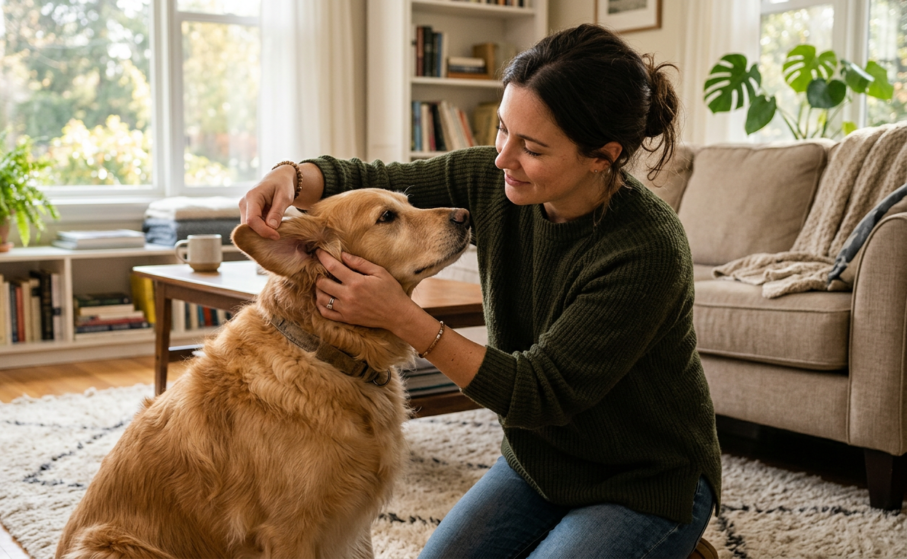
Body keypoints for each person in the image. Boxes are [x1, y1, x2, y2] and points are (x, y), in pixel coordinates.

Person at [240, 24, 721, 559]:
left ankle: (676, 545)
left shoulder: (646, 248)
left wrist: (404, 317)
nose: (501, 159)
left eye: (531, 147)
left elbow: (539, 394)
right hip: (539, 466)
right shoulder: (495, 178)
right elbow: (372, 176)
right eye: (502, 130)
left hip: (643, 482)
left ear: (601, 157)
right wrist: (289, 176)